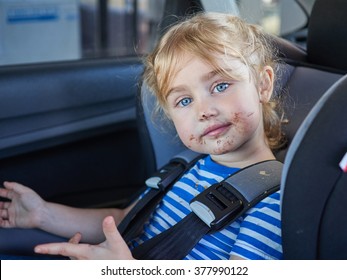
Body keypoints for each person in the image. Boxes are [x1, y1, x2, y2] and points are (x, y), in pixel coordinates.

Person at [0, 12, 285, 260]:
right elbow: (125, 220)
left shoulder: (273, 204)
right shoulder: (188, 167)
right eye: (184, 101)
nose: (204, 111)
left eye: (220, 85)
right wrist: (44, 214)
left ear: (263, 85)